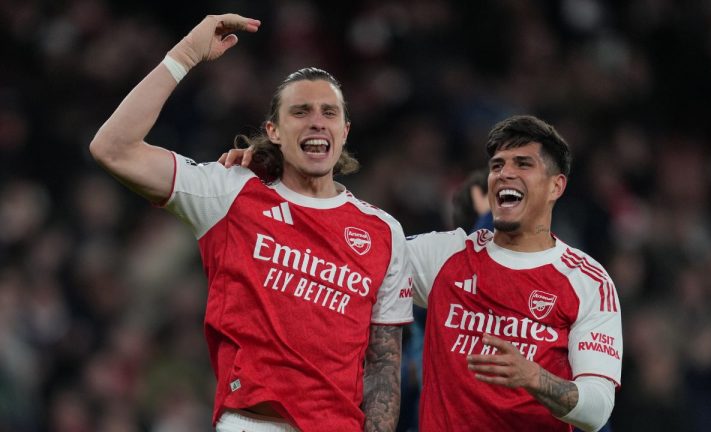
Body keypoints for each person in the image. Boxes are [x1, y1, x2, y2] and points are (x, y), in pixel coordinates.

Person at [89, 14, 413, 432]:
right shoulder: (230, 193)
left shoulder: (383, 232)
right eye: (301, 111)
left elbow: (384, 363)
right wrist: (185, 54)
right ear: (273, 131)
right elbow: (113, 149)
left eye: (329, 112)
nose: (317, 121)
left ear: (344, 130)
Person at [408, 115, 622, 431]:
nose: (505, 173)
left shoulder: (587, 282)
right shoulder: (444, 256)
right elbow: (357, 254)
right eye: (497, 166)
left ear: (555, 186)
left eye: (523, 164)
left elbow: (597, 409)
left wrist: (533, 377)